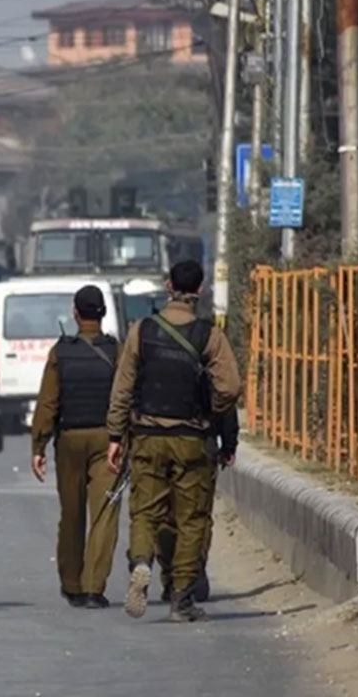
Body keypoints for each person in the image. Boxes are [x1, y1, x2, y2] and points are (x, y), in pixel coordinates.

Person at [106, 260, 241, 623]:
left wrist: (116, 436)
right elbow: (230, 387)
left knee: (145, 512)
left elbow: (122, 387)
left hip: (148, 436)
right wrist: (210, 410)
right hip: (191, 438)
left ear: (168, 286)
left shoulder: (141, 330)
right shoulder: (209, 335)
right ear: (201, 290)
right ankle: (181, 599)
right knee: (192, 518)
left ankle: (140, 561)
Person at [29, 285, 121, 610]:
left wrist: (38, 445)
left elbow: (48, 402)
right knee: (104, 513)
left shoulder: (61, 353)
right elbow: (125, 396)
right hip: (107, 440)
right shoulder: (116, 351)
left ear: (75, 313)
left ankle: (72, 584)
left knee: (71, 513)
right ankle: (94, 587)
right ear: (103, 313)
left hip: (69, 440)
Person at [157, 408, 239, 603]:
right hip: (201, 441)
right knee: (197, 515)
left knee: (163, 513)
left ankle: (171, 575)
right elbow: (225, 399)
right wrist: (228, 444)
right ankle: (193, 571)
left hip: (157, 440)